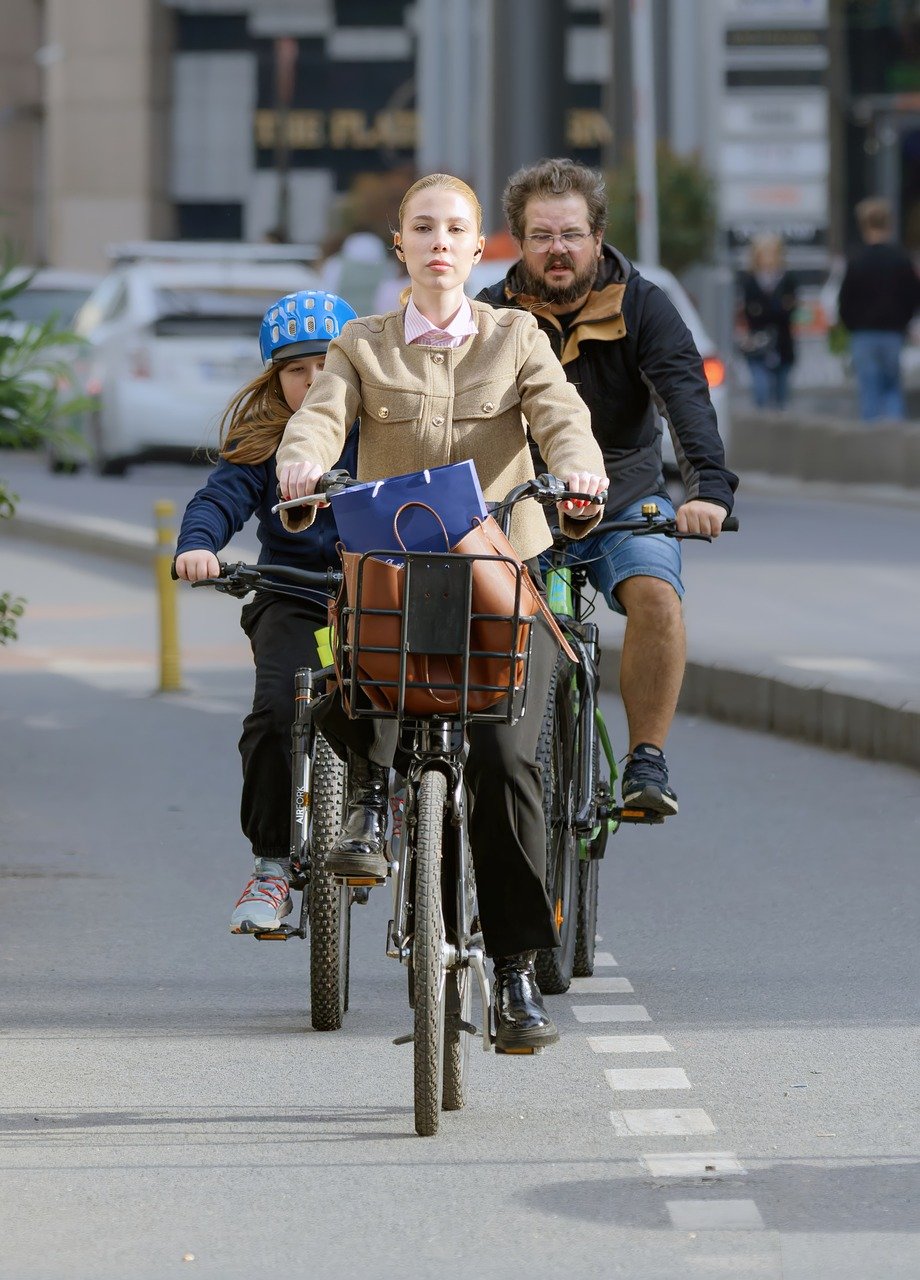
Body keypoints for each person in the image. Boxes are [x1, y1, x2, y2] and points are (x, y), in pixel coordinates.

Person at [275, 172, 608, 1051]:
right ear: (401, 245)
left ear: (475, 247)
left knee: (506, 761)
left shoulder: (519, 338)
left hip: (501, 577)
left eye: (454, 229)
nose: (437, 243)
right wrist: (301, 466)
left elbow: (562, 420)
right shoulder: (361, 344)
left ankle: (510, 974)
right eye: (421, 228)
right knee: (353, 666)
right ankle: (362, 815)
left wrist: (580, 474)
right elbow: (318, 419)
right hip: (397, 572)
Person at [477, 157, 738, 817]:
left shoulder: (645, 306)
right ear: (520, 242)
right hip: (523, 504)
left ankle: (645, 759)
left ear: (597, 238)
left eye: (570, 234)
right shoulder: (490, 315)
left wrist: (707, 489)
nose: (556, 250)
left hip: (624, 497)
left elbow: (685, 396)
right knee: (483, 620)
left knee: (656, 595)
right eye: (541, 236)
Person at [174, 290, 359, 934]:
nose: (311, 382)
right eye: (295, 370)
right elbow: (217, 500)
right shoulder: (266, 440)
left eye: (325, 367)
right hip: (295, 595)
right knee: (280, 711)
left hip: (386, 599)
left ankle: (412, 832)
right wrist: (199, 546)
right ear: (274, 380)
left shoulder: (388, 429)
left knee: (424, 712)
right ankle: (273, 866)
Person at [837, 196, 920, 422]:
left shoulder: (857, 259)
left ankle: (872, 441)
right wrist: (903, 321)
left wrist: (851, 324)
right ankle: (895, 436)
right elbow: (913, 295)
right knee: (892, 387)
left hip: (863, 332)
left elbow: (845, 299)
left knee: (869, 389)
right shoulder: (901, 258)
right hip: (893, 331)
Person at [737, 232, 797, 410]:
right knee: (761, 392)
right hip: (758, 345)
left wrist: (765, 310)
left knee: (782, 398)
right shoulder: (749, 282)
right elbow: (752, 314)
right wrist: (776, 308)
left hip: (783, 345)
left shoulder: (788, 280)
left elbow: (789, 311)